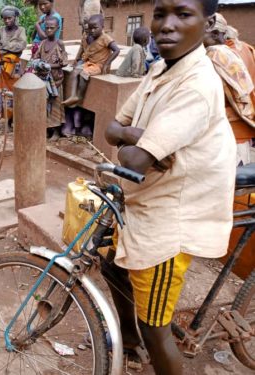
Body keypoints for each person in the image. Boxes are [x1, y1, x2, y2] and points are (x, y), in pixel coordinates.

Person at [103, 0, 236, 373]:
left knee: (155, 327)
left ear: (207, 23)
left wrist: (130, 143)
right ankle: (129, 345)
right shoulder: (161, 68)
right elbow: (112, 127)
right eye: (160, 14)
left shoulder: (196, 85)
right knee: (112, 267)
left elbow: (131, 160)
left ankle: (143, 342)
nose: (167, 25)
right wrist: (134, 136)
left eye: (183, 14)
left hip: (169, 220)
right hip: (143, 200)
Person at [204, 13, 255, 165]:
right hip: (243, 127)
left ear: (214, 32)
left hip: (227, 131)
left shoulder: (215, 54)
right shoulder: (246, 49)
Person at [63, 15, 119, 107]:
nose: (92, 30)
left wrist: (106, 64)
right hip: (89, 63)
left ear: (102, 27)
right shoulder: (88, 36)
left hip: (99, 66)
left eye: (95, 28)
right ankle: (73, 95)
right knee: (75, 71)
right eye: (90, 28)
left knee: (83, 73)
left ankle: (79, 97)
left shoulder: (105, 38)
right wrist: (77, 60)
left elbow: (117, 50)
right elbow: (82, 49)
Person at [0, 5, 28, 135]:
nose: (7, 21)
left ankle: (9, 124)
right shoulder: (1, 30)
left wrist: (5, 47)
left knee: (12, 96)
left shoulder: (21, 30)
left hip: (13, 70)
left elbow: (21, 45)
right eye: (5, 19)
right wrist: (11, 48)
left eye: (10, 18)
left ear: (15, 18)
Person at [33, 17, 68, 141]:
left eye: (51, 28)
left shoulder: (59, 43)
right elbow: (35, 58)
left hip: (55, 82)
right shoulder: (42, 43)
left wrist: (49, 66)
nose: (48, 30)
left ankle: (57, 132)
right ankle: (47, 130)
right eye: (46, 28)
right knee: (45, 107)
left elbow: (64, 62)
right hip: (43, 81)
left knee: (55, 107)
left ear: (57, 28)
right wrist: (38, 64)